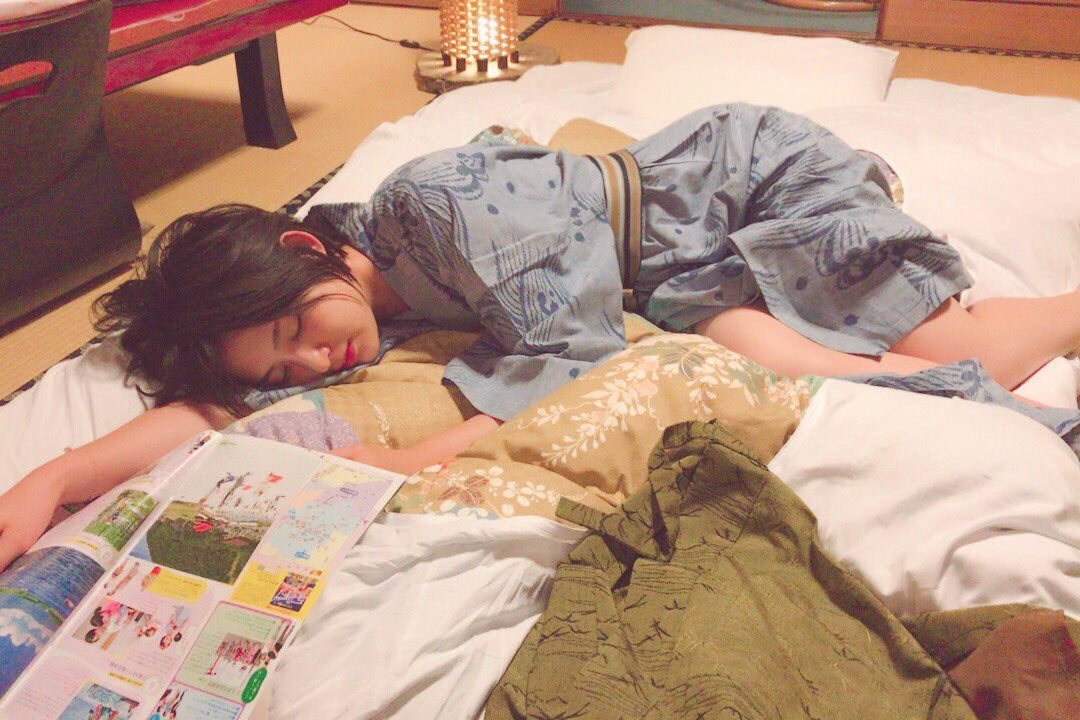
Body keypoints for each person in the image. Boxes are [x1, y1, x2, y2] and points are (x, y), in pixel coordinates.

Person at [0, 104, 1077, 571]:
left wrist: (417, 458)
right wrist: (50, 480)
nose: (314, 363)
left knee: (954, 347)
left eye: (296, 328)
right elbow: (218, 411)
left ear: (304, 246)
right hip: (685, 279)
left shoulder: (434, 207)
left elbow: (578, 356)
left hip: (745, 181)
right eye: (285, 363)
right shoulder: (363, 309)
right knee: (834, 376)